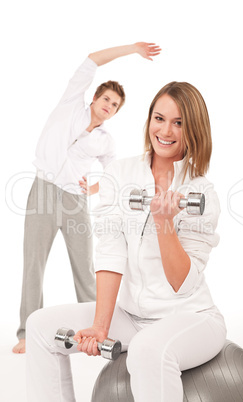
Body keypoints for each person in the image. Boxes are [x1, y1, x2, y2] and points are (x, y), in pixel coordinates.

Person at [26, 80, 227, 401]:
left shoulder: (201, 193)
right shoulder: (119, 173)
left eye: (179, 122)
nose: (166, 130)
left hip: (191, 318)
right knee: (39, 326)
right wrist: (100, 326)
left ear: (194, 129)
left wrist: (164, 223)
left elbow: (183, 284)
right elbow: (110, 253)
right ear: (149, 119)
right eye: (159, 118)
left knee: (148, 350)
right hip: (132, 317)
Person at [13, 42, 161, 354]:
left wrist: (90, 189)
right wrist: (134, 48)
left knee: (86, 265)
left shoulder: (106, 142)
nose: (109, 105)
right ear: (94, 98)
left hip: (75, 203)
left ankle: (97, 331)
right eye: (106, 99)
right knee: (33, 264)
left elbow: (111, 177)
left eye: (115, 105)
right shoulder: (70, 105)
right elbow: (92, 59)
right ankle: (26, 333)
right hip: (43, 191)